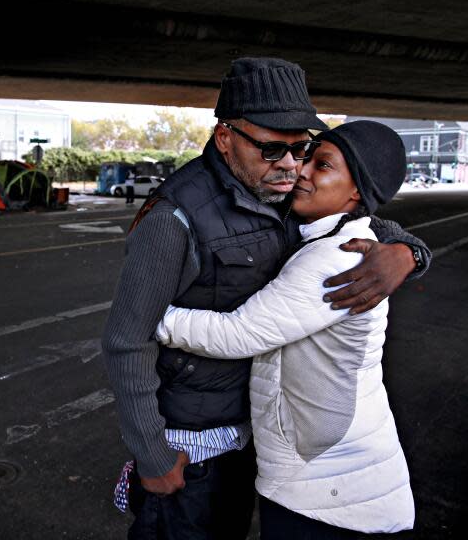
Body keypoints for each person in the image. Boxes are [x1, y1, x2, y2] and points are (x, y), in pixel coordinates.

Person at [102, 58, 430, 540]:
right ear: (226, 138)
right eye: (274, 148)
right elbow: (126, 341)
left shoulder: (279, 192)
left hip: (255, 443)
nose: (292, 167)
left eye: (303, 149)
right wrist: (151, 454)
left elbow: (364, 216)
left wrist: (406, 254)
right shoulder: (174, 217)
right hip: (193, 451)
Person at [155, 120, 415, 538]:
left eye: (322, 165)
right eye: (308, 156)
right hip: (325, 477)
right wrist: (409, 253)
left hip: (331, 492)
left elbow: (238, 334)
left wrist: (155, 316)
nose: (302, 170)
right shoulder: (319, 232)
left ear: (356, 195)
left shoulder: (339, 258)